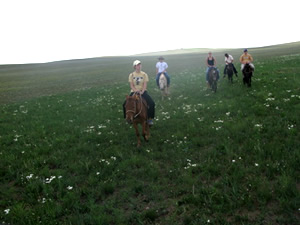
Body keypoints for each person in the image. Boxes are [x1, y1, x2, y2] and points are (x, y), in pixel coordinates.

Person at [123, 60, 155, 125]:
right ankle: (127, 118)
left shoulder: (144, 74)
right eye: (137, 65)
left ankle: (149, 119)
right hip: (134, 92)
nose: (139, 66)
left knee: (152, 103)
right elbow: (131, 85)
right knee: (124, 104)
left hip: (143, 91)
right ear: (134, 66)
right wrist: (135, 90)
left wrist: (142, 91)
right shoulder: (131, 75)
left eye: (140, 65)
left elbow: (145, 84)